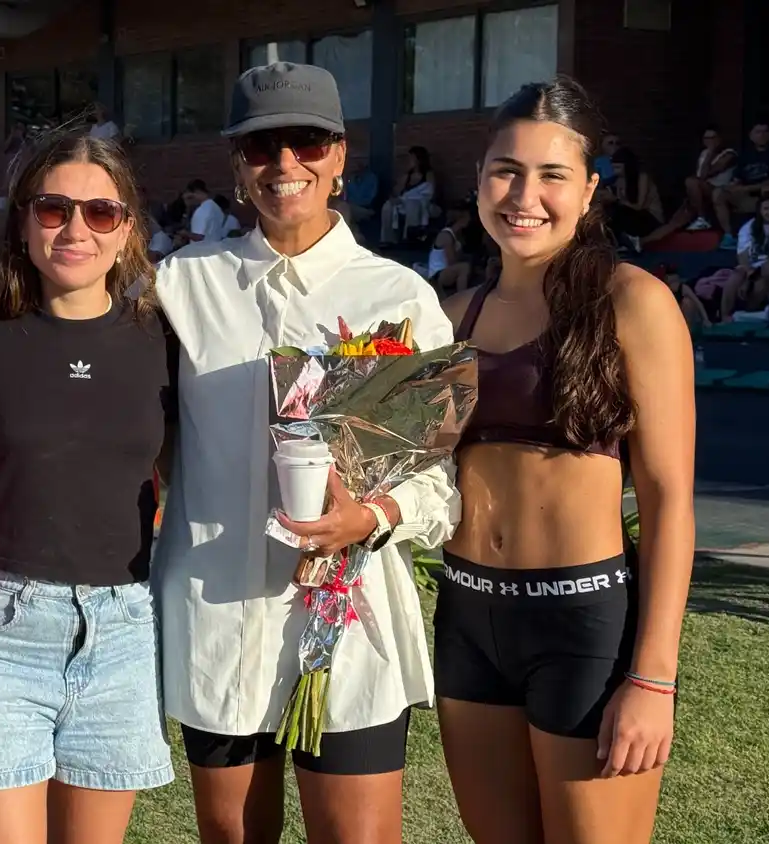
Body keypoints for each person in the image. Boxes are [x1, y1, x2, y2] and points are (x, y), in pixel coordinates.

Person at [154, 62, 459, 844]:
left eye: (307, 142)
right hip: (221, 616)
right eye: (261, 147)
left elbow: (438, 474)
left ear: (339, 155)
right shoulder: (180, 284)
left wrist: (374, 515)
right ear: (237, 163)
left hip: (351, 627)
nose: (284, 163)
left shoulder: (398, 297)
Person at [0, 130, 176, 843]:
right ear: (23, 224)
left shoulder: (163, 342)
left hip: (120, 630)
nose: (76, 229)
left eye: (100, 212)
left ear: (126, 230)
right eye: (54, 209)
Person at [435, 76, 694, 844]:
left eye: (552, 175)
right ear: (479, 179)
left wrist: (653, 677)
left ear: (588, 191)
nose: (525, 196)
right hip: (466, 619)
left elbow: (669, 498)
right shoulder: (450, 316)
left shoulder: (632, 302)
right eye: (506, 171)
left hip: (583, 627)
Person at [644, 126, 737, 244]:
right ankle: (642, 242)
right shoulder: (703, 153)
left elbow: (706, 174)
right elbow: (698, 175)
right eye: (706, 138)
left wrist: (710, 153)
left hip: (719, 190)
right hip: (701, 193)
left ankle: (703, 218)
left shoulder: (729, 153)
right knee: (677, 218)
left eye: (713, 138)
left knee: (691, 182)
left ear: (719, 139)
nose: (709, 141)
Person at [713, 120, 769, 250]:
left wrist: (746, 188)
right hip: (747, 198)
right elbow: (737, 177)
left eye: (766, 131)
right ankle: (729, 236)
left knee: (768, 189)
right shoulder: (746, 154)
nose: (762, 135)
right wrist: (734, 185)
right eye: (758, 132)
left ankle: (767, 237)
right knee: (718, 193)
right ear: (751, 136)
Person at [720, 192, 769, 322]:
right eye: (766, 209)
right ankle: (724, 316)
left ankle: (756, 313)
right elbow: (742, 255)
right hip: (752, 267)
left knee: (762, 282)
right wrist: (749, 274)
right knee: (735, 276)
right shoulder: (748, 227)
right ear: (760, 210)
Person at [602, 147, 663, 252]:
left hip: (650, 217)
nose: (615, 171)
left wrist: (616, 199)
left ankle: (630, 242)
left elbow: (639, 206)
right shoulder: (619, 180)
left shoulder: (642, 177)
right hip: (633, 216)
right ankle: (617, 243)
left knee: (621, 212)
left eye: (618, 167)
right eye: (614, 168)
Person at [379, 145, 437, 244]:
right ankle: (388, 239)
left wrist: (412, 198)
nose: (409, 161)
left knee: (412, 205)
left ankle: (409, 239)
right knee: (387, 206)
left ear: (419, 160)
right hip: (404, 202)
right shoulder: (407, 176)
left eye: (412, 158)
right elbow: (396, 192)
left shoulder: (428, 174)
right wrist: (394, 198)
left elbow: (430, 192)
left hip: (420, 203)